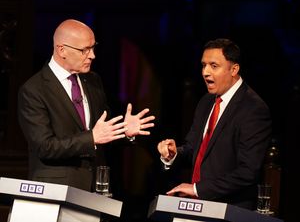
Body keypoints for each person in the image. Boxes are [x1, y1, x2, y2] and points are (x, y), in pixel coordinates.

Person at [18, 19, 155, 192]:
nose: (92, 55)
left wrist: (124, 132)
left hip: (95, 188)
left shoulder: (93, 80)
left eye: (93, 47)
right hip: (55, 190)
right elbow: (45, 147)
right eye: (85, 50)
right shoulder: (34, 90)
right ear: (62, 50)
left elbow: (102, 134)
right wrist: (91, 138)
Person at [157, 38, 272, 210]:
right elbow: (192, 148)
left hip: (230, 208)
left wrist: (197, 189)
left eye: (213, 66)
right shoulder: (206, 101)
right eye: (203, 65)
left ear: (234, 69)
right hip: (198, 205)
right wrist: (173, 154)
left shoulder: (253, 108)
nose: (205, 72)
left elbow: (247, 172)